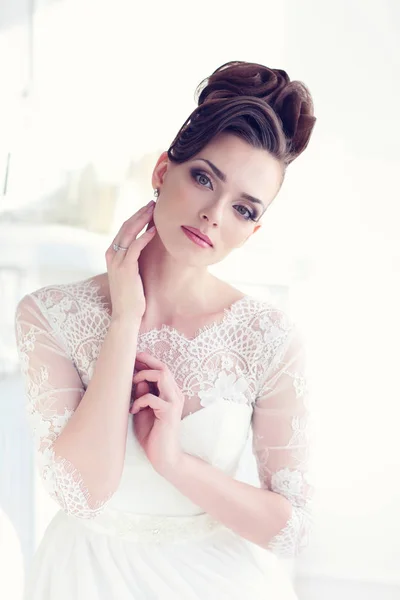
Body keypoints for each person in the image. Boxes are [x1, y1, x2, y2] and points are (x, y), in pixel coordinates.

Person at [14, 60, 316, 599]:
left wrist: (173, 461)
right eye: (204, 178)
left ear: (253, 228)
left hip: (215, 582)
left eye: (243, 209)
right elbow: (84, 493)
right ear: (161, 172)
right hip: (82, 579)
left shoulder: (268, 337)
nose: (213, 215)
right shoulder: (49, 314)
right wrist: (125, 319)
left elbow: (290, 529)